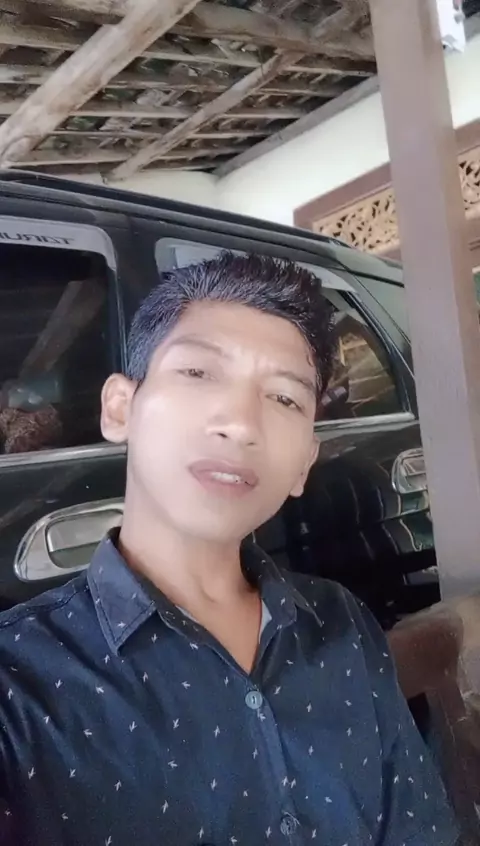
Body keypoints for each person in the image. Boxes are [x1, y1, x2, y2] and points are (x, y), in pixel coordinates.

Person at [0, 253, 457, 846]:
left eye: (285, 399)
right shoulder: (18, 685)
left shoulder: (341, 624)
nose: (240, 423)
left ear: (304, 463)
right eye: (198, 372)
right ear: (120, 409)